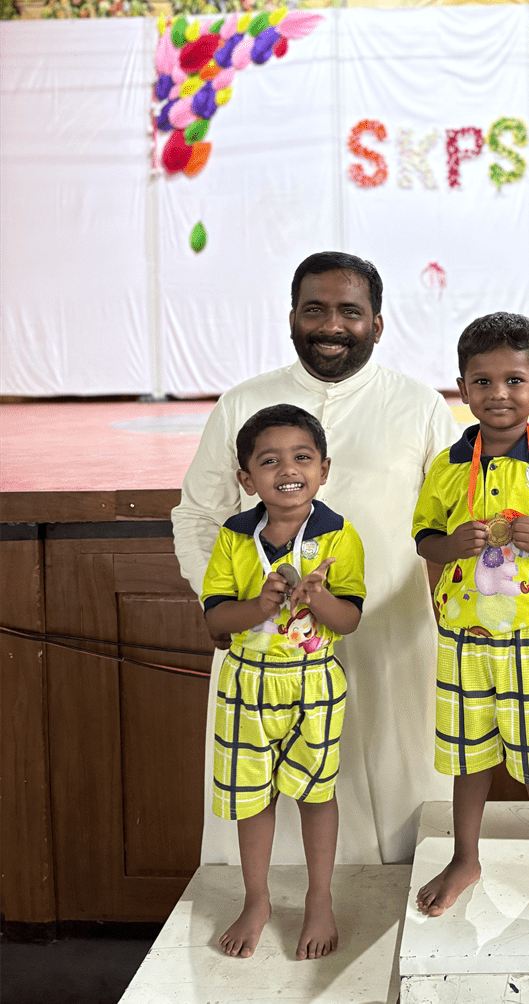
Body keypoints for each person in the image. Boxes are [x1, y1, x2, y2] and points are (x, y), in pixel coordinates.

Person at [173, 252, 460, 867]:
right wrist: (222, 604)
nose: (331, 325)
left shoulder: (420, 406)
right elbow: (197, 515)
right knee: (263, 800)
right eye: (315, 310)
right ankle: (269, 905)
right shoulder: (243, 403)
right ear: (292, 318)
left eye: (349, 312)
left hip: (387, 641)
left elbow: (454, 520)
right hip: (264, 645)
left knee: (404, 805)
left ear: (376, 324)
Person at [412, 312, 529, 921]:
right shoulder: (445, 470)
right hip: (464, 638)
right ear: (462, 389)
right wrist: (450, 545)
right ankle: (466, 856)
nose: (499, 394)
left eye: (515, 381)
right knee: (470, 754)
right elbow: (425, 541)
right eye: (483, 381)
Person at [202, 404, 364, 959]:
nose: (287, 469)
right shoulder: (233, 536)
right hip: (246, 684)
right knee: (251, 797)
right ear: (247, 479)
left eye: (302, 457)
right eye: (269, 461)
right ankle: (257, 900)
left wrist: (318, 599)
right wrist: (258, 606)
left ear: (324, 469)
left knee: (317, 794)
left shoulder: (338, 535)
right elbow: (216, 619)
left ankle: (320, 899)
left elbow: (350, 620)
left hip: (314, 682)